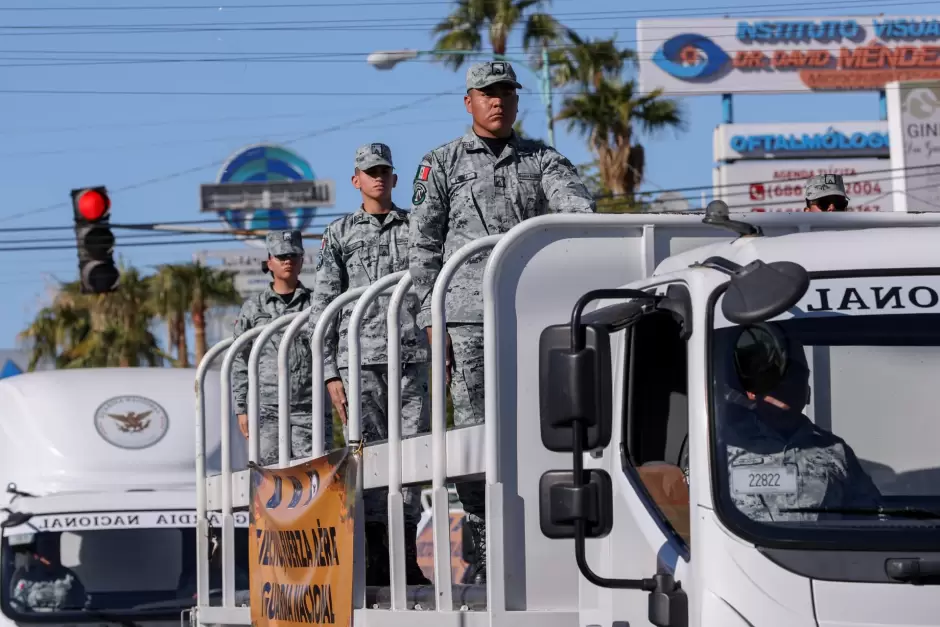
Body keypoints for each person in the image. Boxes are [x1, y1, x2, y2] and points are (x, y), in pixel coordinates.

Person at [407, 60, 596, 583]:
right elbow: (422, 248)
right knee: (475, 434)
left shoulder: (544, 161)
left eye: (507, 94)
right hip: (466, 319)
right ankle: (488, 548)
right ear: (468, 101)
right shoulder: (440, 164)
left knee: (544, 425)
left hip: (534, 319)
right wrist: (432, 318)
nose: (499, 102)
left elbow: (575, 212)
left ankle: (546, 545)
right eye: (488, 94)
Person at [308, 142, 432, 587]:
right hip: (358, 363)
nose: (377, 177)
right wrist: (329, 373)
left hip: (412, 358)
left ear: (395, 179)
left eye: (384, 171)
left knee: (414, 454)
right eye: (369, 171)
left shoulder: (417, 226)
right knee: (369, 458)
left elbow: (433, 284)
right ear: (356, 180)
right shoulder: (340, 233)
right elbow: (322, 310)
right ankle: (376, 555)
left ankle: (406, 553)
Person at [721, 323, 882, 522]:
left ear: (808, 392)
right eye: (774, 380)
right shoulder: (723, 447)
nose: (785, 388)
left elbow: (867, 519)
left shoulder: (835, 450)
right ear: (753, 390)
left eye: (795, 379)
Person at [231, 230, 333, 466]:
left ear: (301, 261)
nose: (288, 261)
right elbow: (239, 358)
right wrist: (241, 408)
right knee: (270, 478)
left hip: (310, 406)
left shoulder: (316, 303)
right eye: (281, 256)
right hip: (267, 408)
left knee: (315, 473)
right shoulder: (253, 308)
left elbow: (332, 348)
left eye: (293, 256)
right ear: (269, 262)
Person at [9, 538, 87, 612]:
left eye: (52, 548)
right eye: (45, 548)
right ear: (36, 554)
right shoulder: (26, 578)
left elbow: (82, 605)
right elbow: (17, 608)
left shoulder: (69, 577)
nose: (49, 552)